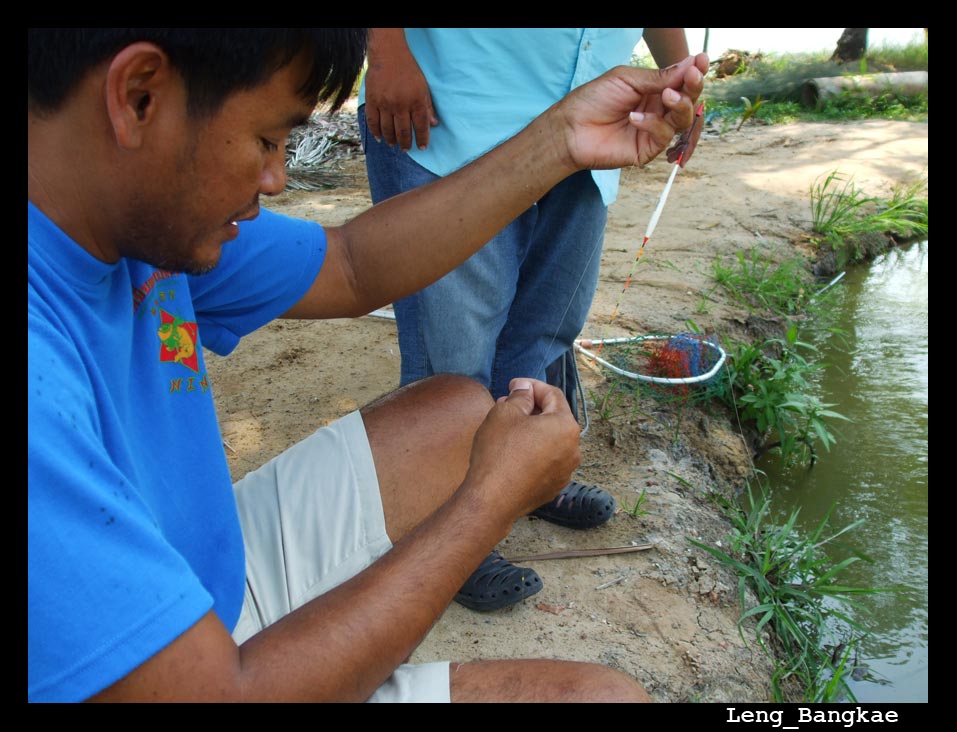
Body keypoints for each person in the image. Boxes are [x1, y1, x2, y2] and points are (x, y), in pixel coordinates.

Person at [28, 28, 707, 702]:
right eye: (268, 140)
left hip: (189, 580)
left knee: (456, 415)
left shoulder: (118, 214)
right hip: (192, 681)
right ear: (138, 95)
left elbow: (351, 265)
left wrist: (559, 140)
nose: (277, 178)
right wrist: (491, 500)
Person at [360, 28, 695, 610]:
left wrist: (683, 74)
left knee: (542, 333)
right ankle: (439, 524)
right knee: (452, 353)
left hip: (597, 123)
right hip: (453, 111)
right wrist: (387, 51)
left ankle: (523, 478)